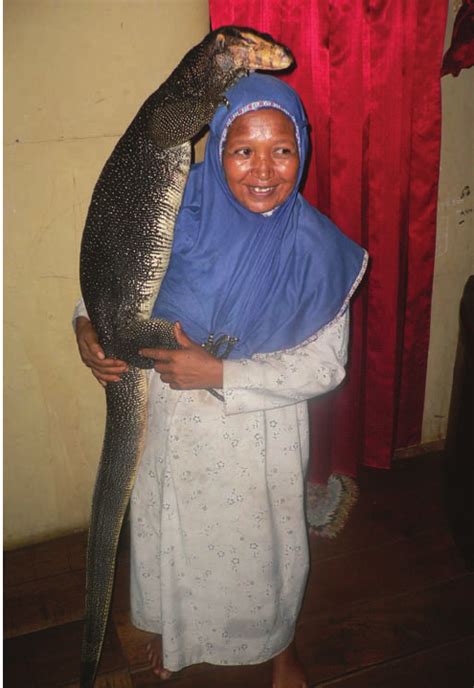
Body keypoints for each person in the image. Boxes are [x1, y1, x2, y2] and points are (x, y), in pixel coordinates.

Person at [74, 73, 367, 688]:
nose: (263, 169)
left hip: (256, 438)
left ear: (302, 151)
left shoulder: (320, 253)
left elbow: (324, 366)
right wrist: (88, 330)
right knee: (177, 541)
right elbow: (108, 286)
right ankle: (181, 634)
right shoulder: (175, 218)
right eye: (243, 149)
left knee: (261, 557)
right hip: (170, 430)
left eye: (281, 149)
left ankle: (277, 645)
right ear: (217, 150)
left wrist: (221, 372)